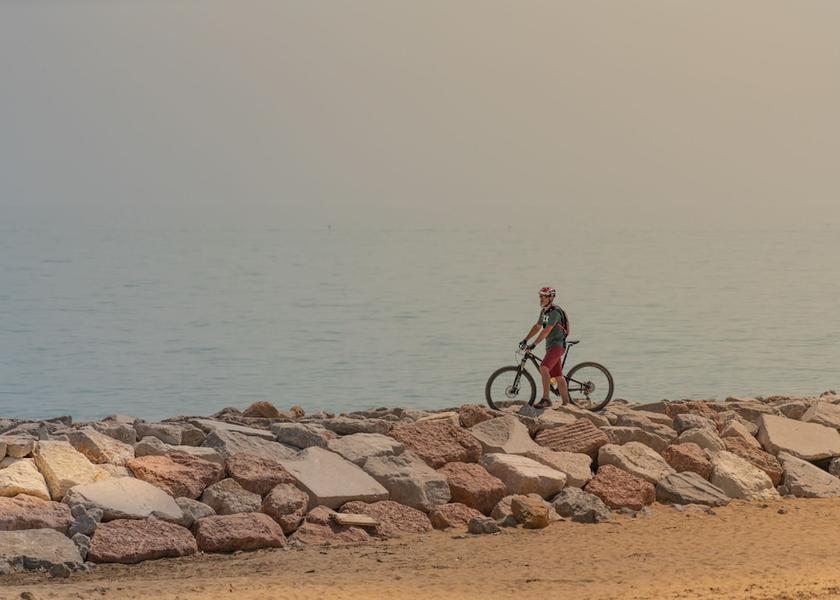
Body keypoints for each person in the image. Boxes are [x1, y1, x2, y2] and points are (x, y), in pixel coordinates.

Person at [518, 286, 570, 409]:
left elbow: (546, 330)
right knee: (558, 376)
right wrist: (526, 339)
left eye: (544, 296)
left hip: (557, 346)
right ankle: (566, 403)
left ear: (550, 298)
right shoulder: (544, 312)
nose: (541, 298)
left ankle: (546, 399)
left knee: (544, 367)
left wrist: (534, 344)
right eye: (540, 296)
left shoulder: (555, 312)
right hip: (551, 347)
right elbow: (537, 326)